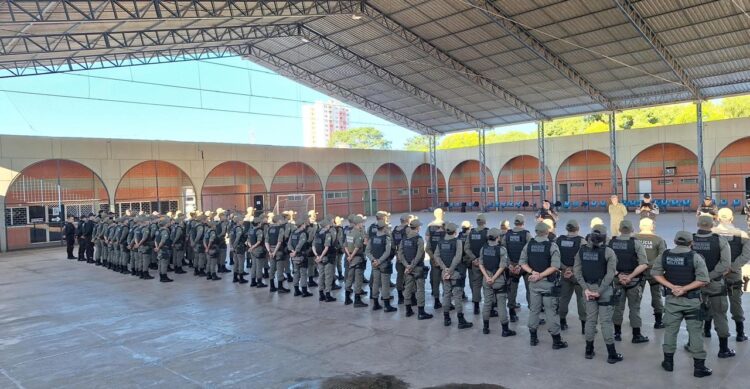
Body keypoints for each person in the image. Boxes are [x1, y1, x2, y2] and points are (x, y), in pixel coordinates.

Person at [652, 231, 712, 378]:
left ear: (674, 240)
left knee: (670, 331)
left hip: (672, 301)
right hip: (692, 302)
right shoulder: (696, 257)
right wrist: (684, 289)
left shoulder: (665, 255)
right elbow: (703, 280)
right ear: (691, 242)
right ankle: (699, 368)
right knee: (696, 333)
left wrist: (672, 287)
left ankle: (668, 363)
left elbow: (655, 273)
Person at [574, 224, 622, 364]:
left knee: (590, 320)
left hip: (587, 289)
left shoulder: (581, 251)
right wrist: (599, 291)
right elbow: (610, 274)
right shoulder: (608, 252)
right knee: (606, 322)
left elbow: (577, 272)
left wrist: (586, 289)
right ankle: (611, 354)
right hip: (604, 291)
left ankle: (588, 351)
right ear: (604, 236)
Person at [693, 215, 735, 358]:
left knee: (694, 315)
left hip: (694, 285)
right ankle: (723, 349)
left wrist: (700, 278)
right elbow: (725, 264)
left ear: (698, 224)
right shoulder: (720, 241)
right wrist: (709, 277)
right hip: (715, 284)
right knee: (720, 314)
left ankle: (692, 344)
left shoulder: (690, 240)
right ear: (712, 225)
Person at [520, 222, 567, 349]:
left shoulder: (528, 245)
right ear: (547, 232)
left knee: (534, 310)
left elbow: (522, 263)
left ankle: (533, 338)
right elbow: (555, 266)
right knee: (550, 311)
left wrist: (533, 272)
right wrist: (541, 275)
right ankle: (556, 341)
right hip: (548, 284)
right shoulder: (552, 246)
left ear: (535, 232)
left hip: (534, 283)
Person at [609, 220, 650, 344]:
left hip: (617, 281)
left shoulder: (611, 242)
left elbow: (607, 263)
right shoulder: (636, 243)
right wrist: (630, 276)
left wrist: (619, 275)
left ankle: (617, 333)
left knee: (617, 308)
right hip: (635, 282)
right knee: (634, 308)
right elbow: (643, 264)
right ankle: (636, 335)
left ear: (619, 229)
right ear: (632, 230)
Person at [713, 208, 750, 342]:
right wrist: (732, 268)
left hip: (715, 274)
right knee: (735, 302)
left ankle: (706, 330)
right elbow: (746, 255)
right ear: (732, 218)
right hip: (733, 274)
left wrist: (719, 269)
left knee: (713, 301)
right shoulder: (741, 234)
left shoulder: (711, 233)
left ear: (717, 218)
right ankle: (740, 333)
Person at [479, 228, 515, 336]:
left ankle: (485, 328)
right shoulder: (502, 249)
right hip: (498, 280)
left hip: (486, 279)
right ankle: (505, 330)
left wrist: (487, 277)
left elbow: (480, 264)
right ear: (498, 238)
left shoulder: (483, 248)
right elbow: (502, 266)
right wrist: (494, 278)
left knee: (487, 303)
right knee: (501, 305)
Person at [435, 223, 472, 329]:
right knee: (457, 296)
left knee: (446, 295)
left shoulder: (440, 242)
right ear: (455, 232)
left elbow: (436, 256)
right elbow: (458, 257)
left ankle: (446, 318)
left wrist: (444, 268)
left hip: (445, 273)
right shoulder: (458, 241)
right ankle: (461, 320)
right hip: (455, 272)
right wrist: (450, 270)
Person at [635, 218, 668, 329]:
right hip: (654, 272)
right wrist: (650, 264)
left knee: (636, 296)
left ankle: (634, 320)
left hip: (638, 272)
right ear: (652, 226)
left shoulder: (633, 238)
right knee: (656, 295)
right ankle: (658, 322)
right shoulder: (659, 240)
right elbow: (663, 256)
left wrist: (642, 264)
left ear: (640, 226)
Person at [399, 218, 432, 320]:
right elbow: (419, 255)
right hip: (417, 268)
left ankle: (408, 310)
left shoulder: (404, 239)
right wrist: (412, 266)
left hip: (407, 268)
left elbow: (400, 253)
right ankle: (421, 312)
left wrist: (407, 265)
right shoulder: (419, 239)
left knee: (408, 287)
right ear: (417, 228)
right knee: (420, 289)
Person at [556, 219, 586, 334]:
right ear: (577, 228)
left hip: (564, 274)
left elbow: (556, 258)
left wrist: (565, 269)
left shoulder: (559, 240)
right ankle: (584, 326)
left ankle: (562, 322)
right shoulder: (581, 241)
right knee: (581, 299)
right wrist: (573, 270)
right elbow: (584, 258)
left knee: (563, 298)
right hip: (578, 275)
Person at [505, 214, 531, 323]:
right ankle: (533, 314)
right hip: (524, 267)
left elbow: (503, 251)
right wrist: (521, 265)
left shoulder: (507, 234)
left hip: (512, 267)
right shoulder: (526, 234)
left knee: (512, 290)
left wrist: (510, 265)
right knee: (530, 290)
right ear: (523, 223)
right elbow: (530, 250)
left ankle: (512, 313)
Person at [366, 219, 395, 312]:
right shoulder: (387, 238)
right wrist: (379, 261)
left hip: (374, 264)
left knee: (375, 283)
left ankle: (375, 304)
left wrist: (373, 260)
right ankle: (387, 306)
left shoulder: (372, 238)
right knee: (385, 284)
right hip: (383, 264)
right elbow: (387, 252)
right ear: (384, 228)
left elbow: (367, 251)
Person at [464, 214, 489, 315]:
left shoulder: (471, 233)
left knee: (476, 284)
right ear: (484, 221)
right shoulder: (488, 232)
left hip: (475, 263)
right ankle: (489, 306)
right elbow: (491, 247)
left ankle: (476, 307)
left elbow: (466, 248)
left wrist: (474, 258)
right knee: (488, 284)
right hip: (486, 263)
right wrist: (481, 259)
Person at [344, 215, 367, 308]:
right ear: (359, 223)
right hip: (357, 258)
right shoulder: (358, 234)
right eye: (362, 222)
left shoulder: (349, 232)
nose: (363, 224)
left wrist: (349, 256)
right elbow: (357, 247)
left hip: (350, 258)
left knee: (349, 278)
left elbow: (345, 245)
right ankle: (357, 300)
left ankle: (347, 298)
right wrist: (352, 255)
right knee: (358, 279)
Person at [426, 208, 446, 310]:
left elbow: (427, 243)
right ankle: (447, 300)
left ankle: (436, 300)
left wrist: (434, 258)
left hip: (433, 259)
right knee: (446, 279)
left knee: (435, 279)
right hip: (445, 259)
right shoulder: (446, 225)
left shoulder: (430, 227)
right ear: (442, 214)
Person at [313, 218, 337, 302]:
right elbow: (327, 247)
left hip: (319, 258)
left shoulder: (317, 234)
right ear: (327, 225)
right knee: (328, 276)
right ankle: (328, 295)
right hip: (326, 257)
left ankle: (321, 294)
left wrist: (317, 256)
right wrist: (321, 256)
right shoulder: (327, 234)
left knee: (321, 276)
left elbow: (313, 246)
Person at [289, 215, 312, 297]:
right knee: (303, 274)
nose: (305, 225)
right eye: (304, 224)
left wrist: (292, 252)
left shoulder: (293, 233)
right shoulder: (303, 234)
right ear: (302, 225)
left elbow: (289, 244)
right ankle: (304, 291)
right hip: (301, 256)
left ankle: (296, 291)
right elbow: (300, 244)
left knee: (296, 273)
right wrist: (295, 252)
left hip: (294, 257)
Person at [266, 214, 289, 293]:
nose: (282, 221)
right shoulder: (281, 229)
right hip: (278, 251)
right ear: (279, 220)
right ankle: (280, 287)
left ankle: (272, 286)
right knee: (280, 269)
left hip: (271, 251)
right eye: (282, 219)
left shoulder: (269, 228)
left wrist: (270, 251)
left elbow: (266, 241)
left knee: (272, 268)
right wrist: (275, 252)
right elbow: (279, 242)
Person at [392, 215, 410, 304]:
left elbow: (392, 243)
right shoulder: (407, 229)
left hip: (398, 254)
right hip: (406, 255)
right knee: (408, 275)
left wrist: (396, 253)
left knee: (400, 275)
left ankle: (400, 296)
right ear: (407, 220)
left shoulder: (395, 230)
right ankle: (409, 295)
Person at [154, 218, 174, 283]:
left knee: (160, 263)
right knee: (164, 263)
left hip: (159, 249)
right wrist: (158, 247)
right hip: (164, 249)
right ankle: (164, 277)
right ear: (166, 223)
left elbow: (156, 240)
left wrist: (157, 247)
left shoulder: (158, 230)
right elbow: (163, 240)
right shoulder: (165, 231)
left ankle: (161, 276)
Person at [231, 215, 249, 284]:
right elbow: (237, 238)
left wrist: (232, 246)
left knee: (236, 263)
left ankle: (235, 277)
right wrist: (235, 246)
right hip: (239, 247)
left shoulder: (233, 228)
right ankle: (241, 278)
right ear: (238, 221)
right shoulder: (239, 228)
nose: (243, 221)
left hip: (235, 248)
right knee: (241, 262)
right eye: (241, 220)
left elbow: (231, 238)